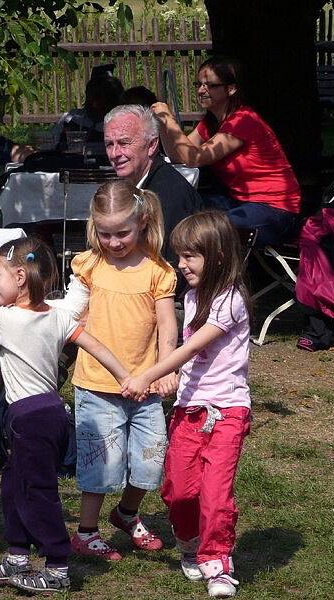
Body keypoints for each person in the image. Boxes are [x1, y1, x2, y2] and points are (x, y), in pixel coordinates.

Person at [0, 237, 131, 594]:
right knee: (13, 485)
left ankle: (57, 565)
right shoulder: (59, 316)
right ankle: (17, 556)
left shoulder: (6, 319)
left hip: (32, 417)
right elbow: (94, 345)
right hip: (47, 413)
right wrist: (125, 376)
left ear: (20, 276)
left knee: (38, 492)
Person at [122, 211, 251, 598]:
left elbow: (193, 346)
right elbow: (188, 355)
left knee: (215, 492)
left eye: (190, 256)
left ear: (218, 256)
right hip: (190, 408)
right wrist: (171, 378)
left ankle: (218, 563)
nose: (181, 264)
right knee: (179, 489)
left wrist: (147, 375)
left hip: (227, 410)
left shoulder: (231, 300)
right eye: (179, 256)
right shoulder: (193, 296)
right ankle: (189, 539)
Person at [53, 180, 178, 560]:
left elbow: (167, 325)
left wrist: (164, 370)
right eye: (105, 233)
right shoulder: (89, 265)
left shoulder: (158, 271)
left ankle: (126, 513)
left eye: (122, 232)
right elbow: (72, 313)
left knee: (151, 460)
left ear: (141, 222)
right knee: (99, 464)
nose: (114, 241)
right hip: (97, 383)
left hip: (144, 385)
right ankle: (86, 532)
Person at [151, 56, 301, 248]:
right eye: (199, 84)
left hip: (275, 210)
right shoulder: (212, 123)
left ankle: (216, 276)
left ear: (231, 88)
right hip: (240, 202)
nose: (201, 90)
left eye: (210, 85)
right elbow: (178, 156)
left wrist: (170, 120)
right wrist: (163, 125)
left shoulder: (243, 121)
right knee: (180, 208)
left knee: (207, 228)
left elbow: (193, 158)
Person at [103, 104, 202, 285]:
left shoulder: (168, 195)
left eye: (124, 143)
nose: (115, 153)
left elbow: (172, 270)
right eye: (109, 144)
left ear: (151, 145)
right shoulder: (137, 185)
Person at [54, 64, 124, 159]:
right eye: (91, 98)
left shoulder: (124, 124)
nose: (94, 104)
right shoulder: (71, 120)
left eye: (101, 99)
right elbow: (51, 146)